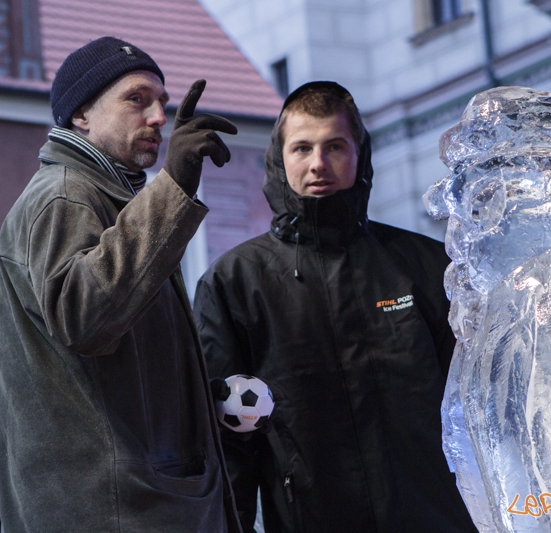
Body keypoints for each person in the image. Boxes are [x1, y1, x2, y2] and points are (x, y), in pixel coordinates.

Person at [193, 81, 477, 532]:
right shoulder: (236, 283)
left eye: (335, 147)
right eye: (302, 148)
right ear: (278, 158)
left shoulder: (426, 267)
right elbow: (227, 447)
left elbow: (476, 409)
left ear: (360, 155)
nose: (318, 164)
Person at [0, 36, 241, 532]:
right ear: (82, 114)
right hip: (115, 511)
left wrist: (192, 393)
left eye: (161, 104)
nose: (157, 118)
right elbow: (84, 318)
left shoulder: (114, 200)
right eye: (136, 99)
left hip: (135, 505)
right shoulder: (65, 196)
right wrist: (174, 185)